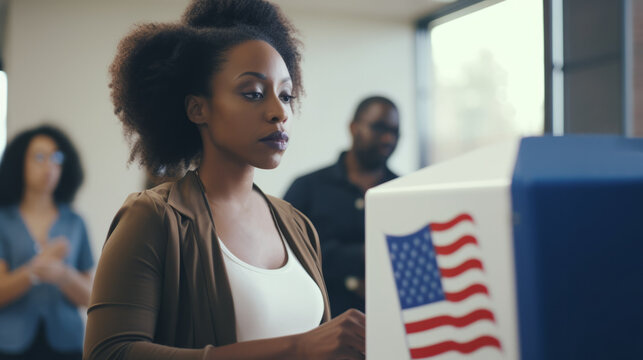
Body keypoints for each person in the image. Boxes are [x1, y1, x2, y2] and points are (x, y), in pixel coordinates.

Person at [84, 0, 365, 359]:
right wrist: (296, 348)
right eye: (253, 93)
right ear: (197, 108)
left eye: (285, 95)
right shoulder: (153, 217)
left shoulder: (298, 226)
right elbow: (110, 352)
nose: (279, 112)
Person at [284, 96, 400, 316]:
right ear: (353, 127)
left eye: (395, 132)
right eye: (379, 128)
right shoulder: (308, 187)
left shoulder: (402, 191)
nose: (387, 138)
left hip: (388, 320)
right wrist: (362, 258)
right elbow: (286, 253)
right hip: (319, 324)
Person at [0, 125, 94, 360]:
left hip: (66, 345)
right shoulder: (3, 221)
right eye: (39, 157)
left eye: (56, 157)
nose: (49, 166)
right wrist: (34, 270)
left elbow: (90, 297)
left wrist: (63, 275)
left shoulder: (75, 223)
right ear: (20, 163)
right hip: (10, 345)